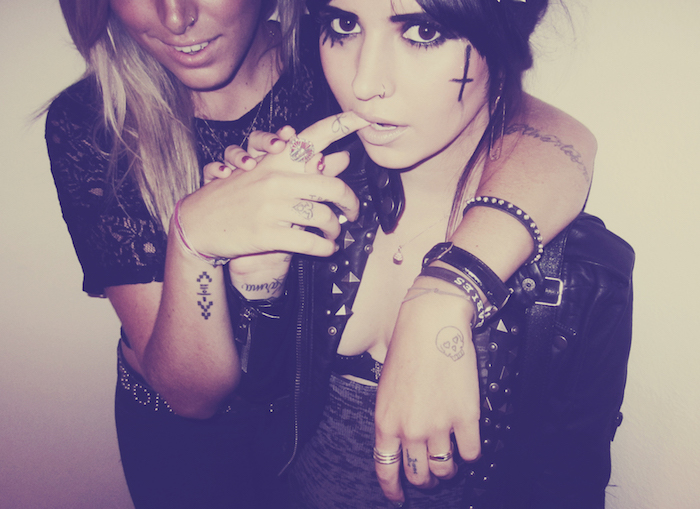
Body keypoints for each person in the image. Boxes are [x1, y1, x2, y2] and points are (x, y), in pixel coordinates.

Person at [47, 0, 598, 508]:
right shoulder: (93, 121)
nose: (175, 16)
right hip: (185, 437)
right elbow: (193, 395)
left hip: (286, 439)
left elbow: (548, 132)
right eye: (346, 25)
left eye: (423, 32)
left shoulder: (318, 65)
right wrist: (194, 241)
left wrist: (447, 289)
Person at [218, 0, 633, 507]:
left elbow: (565, 487)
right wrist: (259, 284)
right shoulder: (322, 196)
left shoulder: (578, 276)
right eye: (344, 24)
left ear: (503, 32)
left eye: (423, 32)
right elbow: (264, 404)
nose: (364, 82)